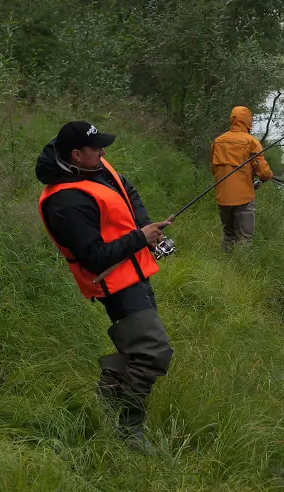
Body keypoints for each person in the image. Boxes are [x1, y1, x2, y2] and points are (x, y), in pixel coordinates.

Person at [35, 121, 174, 454]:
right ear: (75, 155)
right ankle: (129, 430)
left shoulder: (95, 168)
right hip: (114, 284)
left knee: (138, 350)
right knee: (153, 351)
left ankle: (105, 399)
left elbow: (128, 192)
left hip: (135, 271)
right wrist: (140, 238)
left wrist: (145, 228)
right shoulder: (64, 202)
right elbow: (94, 258)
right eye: (97, 148)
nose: (103, 152)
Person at [210, 106, 274, 252]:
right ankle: (242, 269)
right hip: (244, 198)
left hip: (223, 198)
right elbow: (264, 173)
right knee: (245, 238)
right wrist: (267, 177)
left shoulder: (218, 141)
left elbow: (214, 170)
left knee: (228, 234)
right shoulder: (251, 142)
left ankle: (226, 266)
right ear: (247, 121)